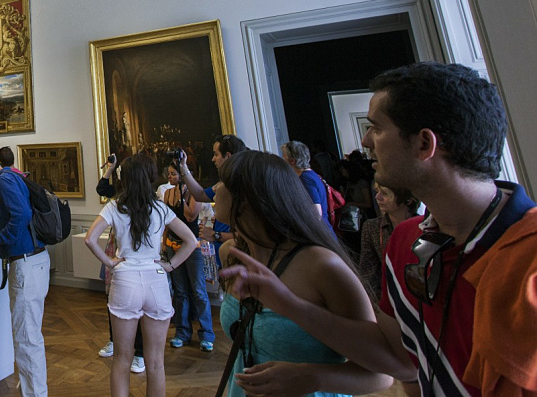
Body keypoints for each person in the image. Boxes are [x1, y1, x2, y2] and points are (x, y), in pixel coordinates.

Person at [221, 62, 537, 396]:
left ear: (424, 145)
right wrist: (289, 304)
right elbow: (400, 361)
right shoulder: (406, 240)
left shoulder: (527, 256)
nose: (366, 140)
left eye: (377, 127)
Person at [215, 151, 392, 396]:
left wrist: (312, 377)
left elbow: (381, 375)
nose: (214, 188)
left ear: (245, 198)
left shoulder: (321, 265)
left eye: (221, 182)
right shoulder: (232, 254)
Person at [85, 154, 198, 397]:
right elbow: (191, 240)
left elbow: (90, 239)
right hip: (155, 279)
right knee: (156, 362)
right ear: (149, 178)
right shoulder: (160, 207)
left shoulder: (114, 206)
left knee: (122, 360)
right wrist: (170, 265)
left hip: (125, 280)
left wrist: (110, 262)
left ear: (124, 178)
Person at [0, 150, 49, 397]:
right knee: (31, 333)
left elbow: (22, 215)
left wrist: (0, 239)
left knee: (26, 338)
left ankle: (35, 393)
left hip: (26, 263)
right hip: (35, 260)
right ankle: (32, 386)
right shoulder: (14, 175)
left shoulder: (3, 181)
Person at [94, 155, 146, 374]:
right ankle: (115, 340)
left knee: (139, 303)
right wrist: (110, 168)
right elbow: (101, 188)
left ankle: (140, 352)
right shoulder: (119, 196)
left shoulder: (147, 198)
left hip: (137, 253)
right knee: (113, 297)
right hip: (115, 249)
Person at [157, 161, 214, 352]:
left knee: (198, 290)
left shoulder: (194, 193)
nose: (169, 177)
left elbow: (190, 216)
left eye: (173, 174)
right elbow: (166, 221)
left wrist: (182, 197)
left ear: (182, 175)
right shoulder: (167, 193)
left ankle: (206, 334)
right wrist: (164, 242)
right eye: (169, 174)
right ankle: (182, 332)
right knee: (180, 290)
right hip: (173, 244)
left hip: (192, 246)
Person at [358, 181, 420, 301]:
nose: (377, 197)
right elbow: (368, 271)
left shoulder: (424, 227)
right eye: (377, 192)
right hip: (387, 298)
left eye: (385, 194)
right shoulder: (372, 227)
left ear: (408, 200)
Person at [282, 140, 329, 220]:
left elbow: (317, 214)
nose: (282, 159)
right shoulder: (311, 174)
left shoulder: (305, 178)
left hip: (317, 231)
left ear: (292, 161)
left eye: (284, 156)